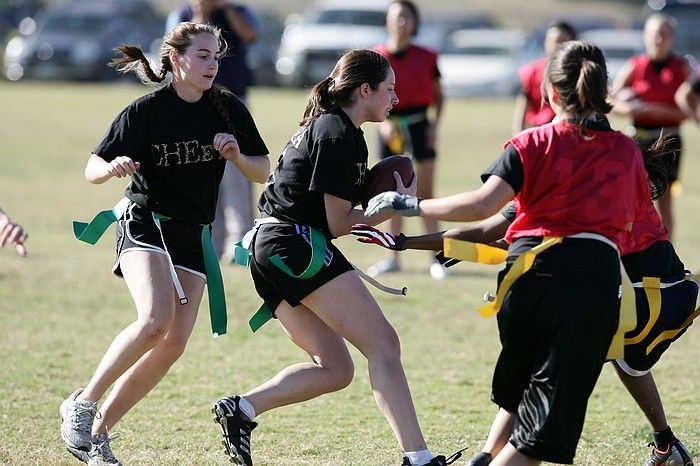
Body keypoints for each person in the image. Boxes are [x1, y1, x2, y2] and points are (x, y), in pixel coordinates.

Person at [364, 40, 653, 465]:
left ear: (549, 92)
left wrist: (409, 206)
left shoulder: (529, 143)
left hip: (523, 287)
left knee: (522, 405)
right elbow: (626, 229)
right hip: (586, 290)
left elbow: (483, 210)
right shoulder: (626, 151)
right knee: (537, 440)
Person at [211, 49, 462, 466]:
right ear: (364, 90)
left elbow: (339, 214)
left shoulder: (339, 131)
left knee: (335, 369)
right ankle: (418, 459)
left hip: (272, 248)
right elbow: (341, 221)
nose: (395, 99)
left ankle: (242, 410)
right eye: (389, 89)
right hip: (293, 245)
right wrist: (394, 206)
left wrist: (375, 204)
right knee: (383, 343)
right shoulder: (336, 131)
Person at [353, 191, 697, 466]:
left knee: (538, 380)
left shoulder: (546, 169)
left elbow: (484, 227)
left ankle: (486, 458)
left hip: (633, 300)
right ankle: (666, 444)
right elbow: (501, 242)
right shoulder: (611, 161)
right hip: (675, 297)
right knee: (627, 357)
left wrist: (404, 238)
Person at [59, 22, 270, 466]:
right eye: (203, 56)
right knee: (155, 319)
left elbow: (262, 169)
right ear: (176, 59)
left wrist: (236, 155)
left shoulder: (226, 107)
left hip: (193, 235)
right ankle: (82, 403)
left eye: (216, 56)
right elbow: (91, 168)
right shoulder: (147, 111)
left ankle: (97, 436)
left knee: (172, 343)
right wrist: (112, 167)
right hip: (145, 222)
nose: (212, 64)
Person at [167, 0, 260, 260]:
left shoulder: (238, 11)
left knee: (236, 172)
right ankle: (211, 243)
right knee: (203, 172)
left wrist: (225, 9)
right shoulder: (184, 13)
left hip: (233, 102)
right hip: (194, 102)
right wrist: (201, 14)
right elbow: (174, 50)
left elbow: (251, 35)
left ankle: (241, 244)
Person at [370, 0, 446, 279]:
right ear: (387, 22)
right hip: (390, 123)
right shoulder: (376, 57)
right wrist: (383, 123)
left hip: (419, 125)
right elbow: (369, 97)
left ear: (414, 22)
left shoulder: (427, 57)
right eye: (396, 17)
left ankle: (437, 258)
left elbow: (439, 95)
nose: (401, 22)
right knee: (391, 193)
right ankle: (392, 255)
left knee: (425, 192)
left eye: (406, 17)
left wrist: (435, 126)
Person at [610, 13, 693, 240]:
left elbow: (692, 111)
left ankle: (667, 253)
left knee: (664, 200)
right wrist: (628, 109)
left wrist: (661, 111)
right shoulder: (635, 66)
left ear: (672, 38)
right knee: (632, 197)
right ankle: (633, 249)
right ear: (645, 36)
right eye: (655, 34)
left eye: (664, 35)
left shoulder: (681, 67)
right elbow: (609, 101)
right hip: (639, 138)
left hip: (669, 139)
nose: (659, 39)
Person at [512, 21, 576, 135]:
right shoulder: (532, 72)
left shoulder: (579, 71)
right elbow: (522, 106)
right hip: (541, 132)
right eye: (553, 41)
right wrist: (518, 138)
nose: (557, 46)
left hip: (571, 132)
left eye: (562, 41)